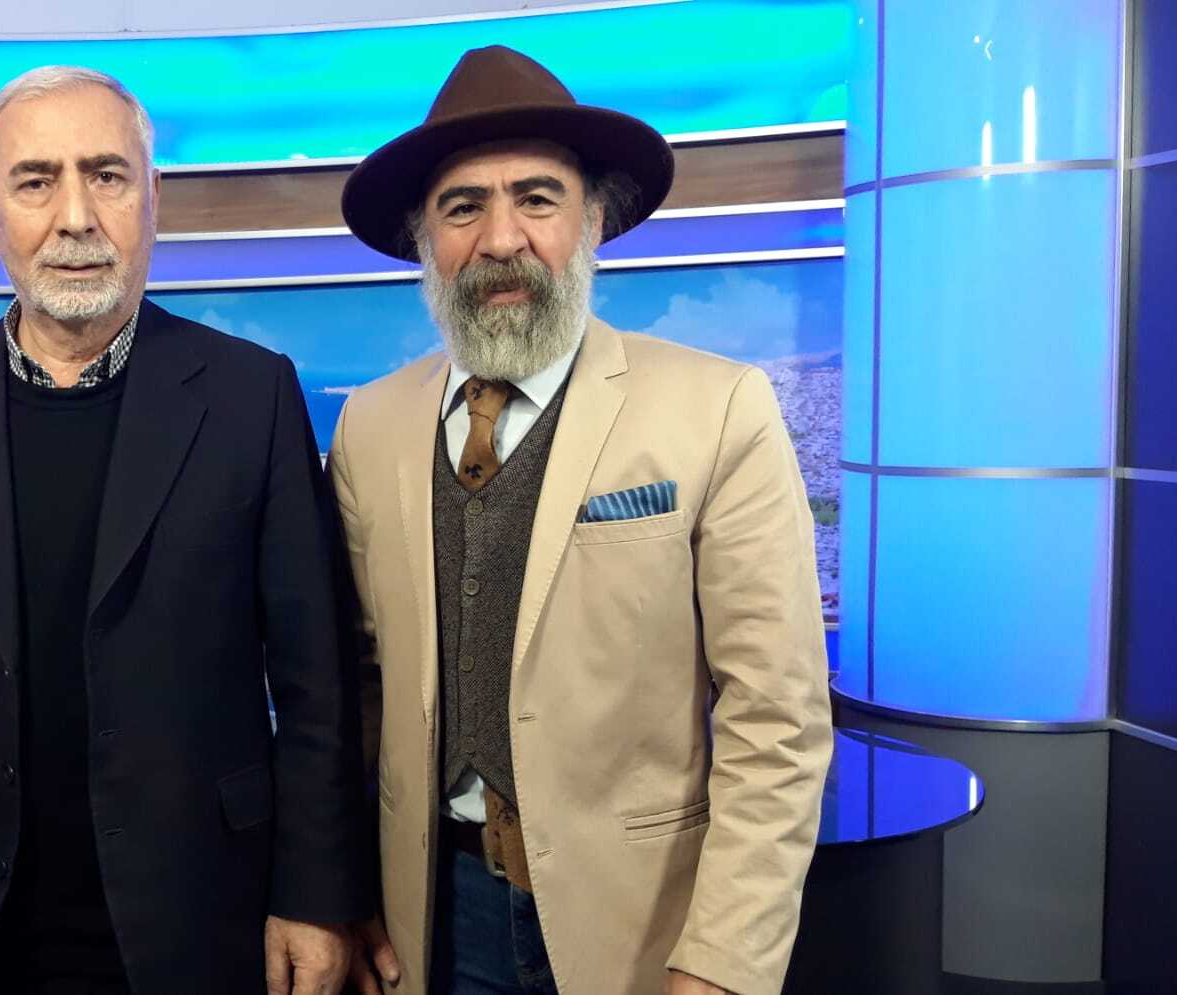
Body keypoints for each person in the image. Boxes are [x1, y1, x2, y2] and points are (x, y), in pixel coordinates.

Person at [0, 66, 370, 995]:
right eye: (36, 181)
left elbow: (316, 680)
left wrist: (317, 895)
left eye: (107, 176)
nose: (75, 217)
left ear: (153, 197)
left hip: (202, 910)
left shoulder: (253, 395)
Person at [329, 46, 833, 995]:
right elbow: (356, 686)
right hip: (430, 918)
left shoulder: (717, 408)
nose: (501, 238)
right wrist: (342, 888)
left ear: (593, 219)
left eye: (537, 198)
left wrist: (724, 962)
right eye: (462, 207)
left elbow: (777, 718)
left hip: (641, 929)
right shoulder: (370, 423)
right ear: (425, 237)